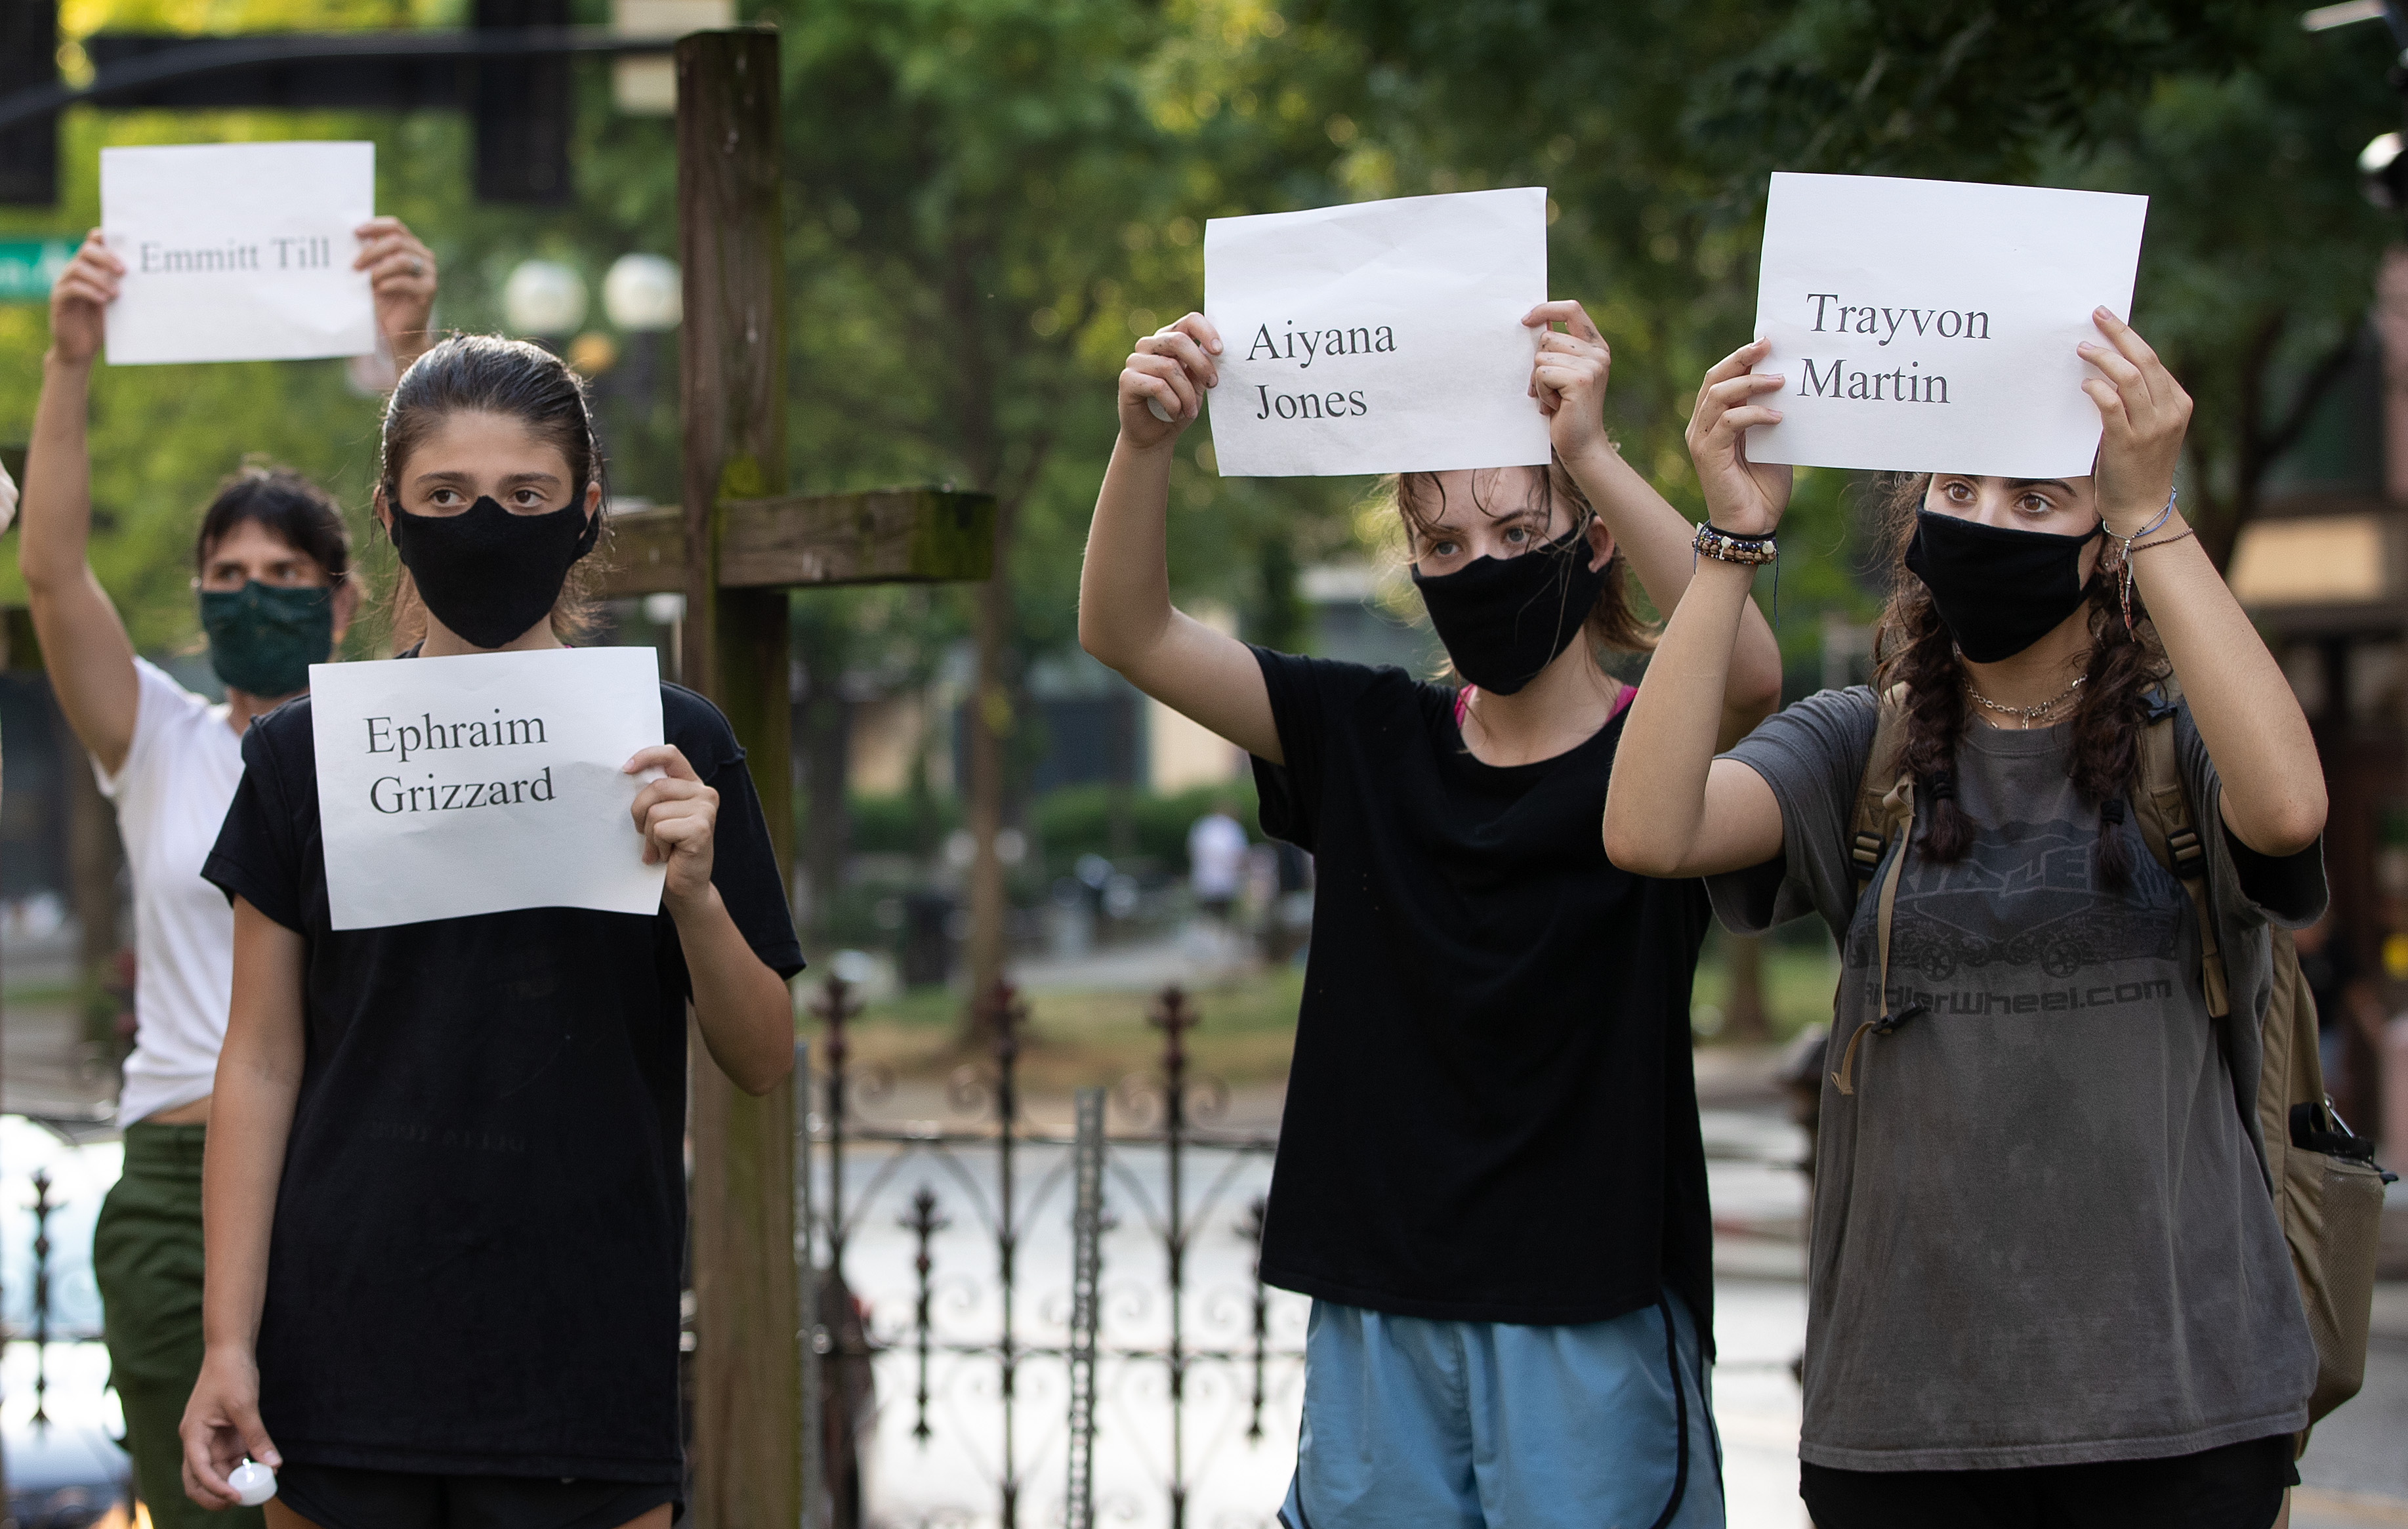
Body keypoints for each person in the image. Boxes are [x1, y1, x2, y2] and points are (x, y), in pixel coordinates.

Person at [1602, 312, 2326, 1529]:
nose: (1988, 519)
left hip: (2184, 1419)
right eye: (1960, 488)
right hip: (1904, 1431)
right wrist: (1730, 539)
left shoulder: (2176, 735)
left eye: (2038, 499)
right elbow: (1648, 830)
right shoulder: (1856, 744)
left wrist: (2154, 514)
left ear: (2101, 546)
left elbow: (2291, 808)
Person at [1081, 301, 1783, 1528]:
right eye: (1444, 545)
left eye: (1520, 528)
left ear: (1595, 538)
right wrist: (1144, 445)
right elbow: (1127, 631)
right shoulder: (1363, 735)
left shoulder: (1657, 766)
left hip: (1592, 1300)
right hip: (1380, 1304)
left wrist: (1595, 450)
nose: (1484, 565)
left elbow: (1753, 677)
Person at [175, 333, 802, 1529]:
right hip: (339, 1341)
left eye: (526, 496)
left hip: (580, 1350)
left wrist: (698, 894)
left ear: (586, 511)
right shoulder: (301, 756)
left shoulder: (674, 745)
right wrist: (229, 1344)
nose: (486, 525)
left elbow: (764, 1055)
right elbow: (258, 1058)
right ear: (391, 515)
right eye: (447, 497)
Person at [17, 220, 437, 1529]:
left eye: (284, 576)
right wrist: (70, 361)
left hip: (342, 1178)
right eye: (228, 577)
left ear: (342, 595)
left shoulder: (399, 739)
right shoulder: (155, 742)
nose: (253, 594)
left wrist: (411, 346)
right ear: (198, 602)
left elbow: (461, 577)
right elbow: (47, 566)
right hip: (171, 1195)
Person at [1186, 795, 1249, 921]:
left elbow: (1190, 852)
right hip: (1225, 884)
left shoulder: (1201, 826)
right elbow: (1239, 857)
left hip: (1203, 883)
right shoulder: (1233, 828)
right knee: (1222, 919)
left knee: (1206, 920)